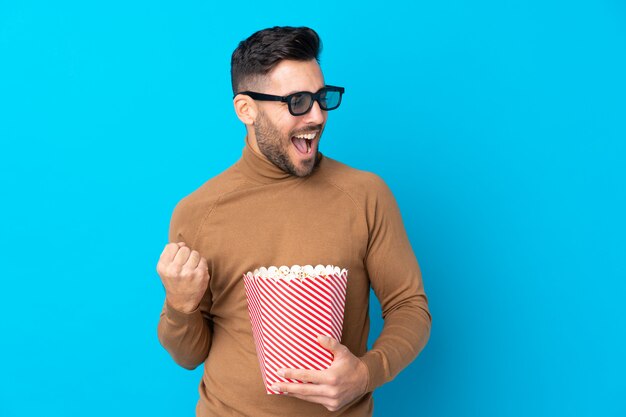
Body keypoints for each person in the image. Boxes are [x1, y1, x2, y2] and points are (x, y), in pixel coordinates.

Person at [156, 26, 431, 417]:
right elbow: (189, 354)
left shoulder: (366, 195)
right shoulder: (198, 212)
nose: (317, 116)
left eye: (321, 98)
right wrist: (179, 307)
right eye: (298, 102)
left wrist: (367, 374)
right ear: (246, 109)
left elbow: (410, 307)